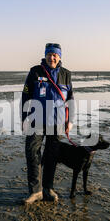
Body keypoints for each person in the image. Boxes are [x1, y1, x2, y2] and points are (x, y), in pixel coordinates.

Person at [21, 43, 75, 204]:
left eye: (55, 55)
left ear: (60, 57)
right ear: (45, 55)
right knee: (32, 154)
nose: (52, 57)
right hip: (36, 120)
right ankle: (35, 191)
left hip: (57, 123)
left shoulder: (66, 74)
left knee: (51, 156)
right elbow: (26, 96)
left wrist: (70, 120)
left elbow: (70, 98)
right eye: (49, 54)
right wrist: (24, 118)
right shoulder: (35, 72)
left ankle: (48, 188)